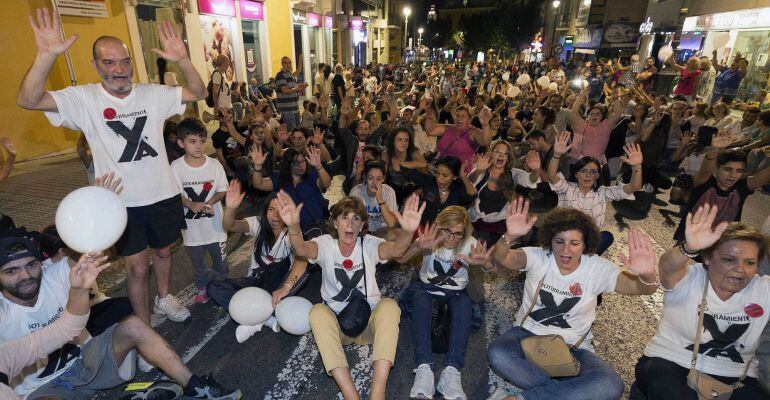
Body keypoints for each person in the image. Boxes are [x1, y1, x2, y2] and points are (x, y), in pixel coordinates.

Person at [17, 10, 207, 326]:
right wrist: (46, 56)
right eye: (109, 62)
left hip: (163, 194)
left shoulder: (152, 94)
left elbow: (198, 93)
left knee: (163, 254)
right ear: (95, 65)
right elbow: (28, 98)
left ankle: (163, 298)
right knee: (136, 267)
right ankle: (144, 327)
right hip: (122, 202)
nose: (119, 70)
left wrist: (183, 61)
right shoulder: (84, 99)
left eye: (125, 61)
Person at [0, 229, 242, 399]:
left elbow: (100, 249)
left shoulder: (55, 275)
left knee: (134, 324)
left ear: (40, 265)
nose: (25, 276)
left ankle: (195, 387)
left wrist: (100, 205)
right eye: (11, 271)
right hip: (45, 389)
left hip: (87, 359)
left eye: (30, 265)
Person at [487, 200, 658, 400]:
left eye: (574, 243)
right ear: (550, 241)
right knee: (498, 353)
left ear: (586, 244)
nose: (566, 250)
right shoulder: (539, 256)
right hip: (526, 335)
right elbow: (504, 258)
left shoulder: (597, 268)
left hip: (574, 348)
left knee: (611, 385)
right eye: (559, 241)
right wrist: (509, 236)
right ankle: (566, 392)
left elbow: (640, 288)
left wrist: (647, 276)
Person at [275, 193, 426, 400]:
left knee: (390, 306)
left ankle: (377, 392)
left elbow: (396, 250)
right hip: (340, 328)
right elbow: (301, 249)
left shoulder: (369, 243)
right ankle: (350, 394)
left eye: (356, 218)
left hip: (369, 323)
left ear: (362, 224)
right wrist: (293, 227)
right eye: (344, 217)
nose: (350, 223)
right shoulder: (326, 244)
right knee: (318, 311)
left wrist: (408, 232)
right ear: (335, 223)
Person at [631, 204, 770, 400]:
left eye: (749, 262)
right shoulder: (691, 277)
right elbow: (667, 267)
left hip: (736, 376)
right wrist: (688, 248)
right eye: (729, 259)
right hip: (671, 362)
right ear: (707, 258)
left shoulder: (763, 288)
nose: (740, 269)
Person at [398, 207, 494, 400]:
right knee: (420, 299)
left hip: (456, 293)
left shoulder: (469, 244)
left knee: (465, 304)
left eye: (458, 233)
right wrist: (418, 246)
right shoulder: (429, 238)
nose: (452, 237)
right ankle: (423, 368)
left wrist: (485, 264)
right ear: (439, 227)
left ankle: (452, 371)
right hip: (425, 289)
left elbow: (493, 270)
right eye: (447, 231)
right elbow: (400, 259)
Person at [209, 182, 309, 342]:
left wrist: (286, 287)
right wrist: (231, 208)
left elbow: (302, 262)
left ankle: (255, 318)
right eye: (271, 209)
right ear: (265, 211)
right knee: (214, 286)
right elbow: (230, 225)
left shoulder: (292, 234)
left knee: (281, 272)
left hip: (276, 286)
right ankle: (264, 319)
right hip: (254, 282)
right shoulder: (258, 223)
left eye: (280, 211)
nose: (275, 216)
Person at [547, 132, 643, 255]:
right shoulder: (567, 188)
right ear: (576, 174)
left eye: (593, 172)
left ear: (597, 176)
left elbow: (634, 186)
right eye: (583, 171)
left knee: (607, 236)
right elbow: (551, 176)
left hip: (588, 241)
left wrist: (637, 166)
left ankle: (581, 258)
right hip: (566, 238)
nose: (588, 175)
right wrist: (556, 155)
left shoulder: (602, 192)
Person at [171, 118, 228, 304]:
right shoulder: (176, 167)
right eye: (192, 141)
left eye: (202, 141)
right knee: (198, 263)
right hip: (192, 230)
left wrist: (210, 202)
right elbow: (173, 194)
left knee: (221, 262)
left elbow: (222, 189)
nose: (199, 146)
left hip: (216, 227)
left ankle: (223, 288)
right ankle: (203, 288)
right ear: (181, 143)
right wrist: (189, 203)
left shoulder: (214, 165)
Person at [673, 146, 770, 241]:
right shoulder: (705, 182)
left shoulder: (742, 187)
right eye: (728, 169)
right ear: (716, 169)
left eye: (739, 171)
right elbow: (704, 171)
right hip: (690, 240)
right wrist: (715, 149)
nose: (733, 175)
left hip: (720, 245)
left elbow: (765, 176)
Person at [251, 146, 331, 238]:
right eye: (297, 162)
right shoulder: (279, 179)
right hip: (295, 231)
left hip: (319, 226)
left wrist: (318, 166)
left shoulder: (311, 175)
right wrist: (257, 167)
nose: (301, 165)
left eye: (303, 161)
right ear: (288, 164)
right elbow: (258, 184)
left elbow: (326, 184)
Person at [429, 105, 494, 174]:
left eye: (463, 116)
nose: (459, 118)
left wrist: (485, 124)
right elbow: (430, 130)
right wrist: (430, 115)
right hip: (439, 170)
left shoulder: (474, 132)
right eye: (457, 115)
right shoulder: (448, 128)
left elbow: (486, 142)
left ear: (470, 119)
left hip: (460, 175)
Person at [350, 161, 399, 239]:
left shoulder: (388, 192)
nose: (374, 182)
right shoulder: (356, 192)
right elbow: (351, 219)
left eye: (378, 179)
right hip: (362, 230)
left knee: (396, 235)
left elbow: (391, 223)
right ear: (365, 177)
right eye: (370, 178)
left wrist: (380, 199)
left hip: (381, 230)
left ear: (383, 179)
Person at [275, 56, 308, 132]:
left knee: (298, 130)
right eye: (285, 63)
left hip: (294, 108)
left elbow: (299, 69)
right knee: (292, 132)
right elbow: (285, 90)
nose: (288, 64)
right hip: (287, 109)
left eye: (289, 62)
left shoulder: (291, 75)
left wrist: (301, 87)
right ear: (282, 64)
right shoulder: (281, 75)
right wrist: (298, 88)